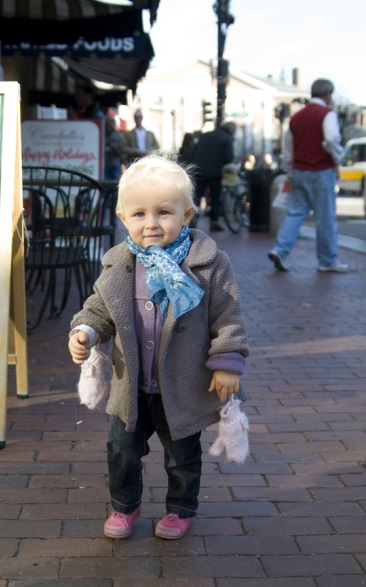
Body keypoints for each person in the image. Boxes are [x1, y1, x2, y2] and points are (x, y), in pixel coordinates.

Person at [68, 155, 249, 540]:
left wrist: (227, 363)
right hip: (131, 387)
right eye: (139, 214)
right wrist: (85, 332)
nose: (151, 223)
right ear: (123, 218)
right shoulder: (119, 266)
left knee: (182, 456)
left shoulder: (210, 265)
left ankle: (181, 509)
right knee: (122, 452)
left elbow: (228, 317)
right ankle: (124, 506)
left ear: (186, 215)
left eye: (164, 212)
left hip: (180, 387)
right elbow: (98, 309)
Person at [268, 78, 349, 273]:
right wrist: (338, 157)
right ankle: (327, 260)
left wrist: (289, 170)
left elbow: (289, 149)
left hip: (299, 171)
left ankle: (280, 249)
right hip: (321, 170)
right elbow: (331, 138)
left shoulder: (296, 118)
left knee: (295, 213)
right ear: (328, 94)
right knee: (325, 217)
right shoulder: (327, 114)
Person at [193, 120, 237, 232]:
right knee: (215, 197)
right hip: (215, 172)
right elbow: (228, 158)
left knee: (198, 195)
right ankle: (214, 222)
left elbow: (195, 150)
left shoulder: (207, 135)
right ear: (231, 130)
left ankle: (194, 218)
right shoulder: (227, 138)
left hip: (199, 169)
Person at [104, 114, 122, 181]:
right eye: (108, 122)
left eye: (111, 122)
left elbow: (121, 151)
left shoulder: (118, 135)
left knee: (115, 185)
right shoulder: (103, 134)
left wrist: (115, 147)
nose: (110, 124)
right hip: (105, 164)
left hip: (115, 163)